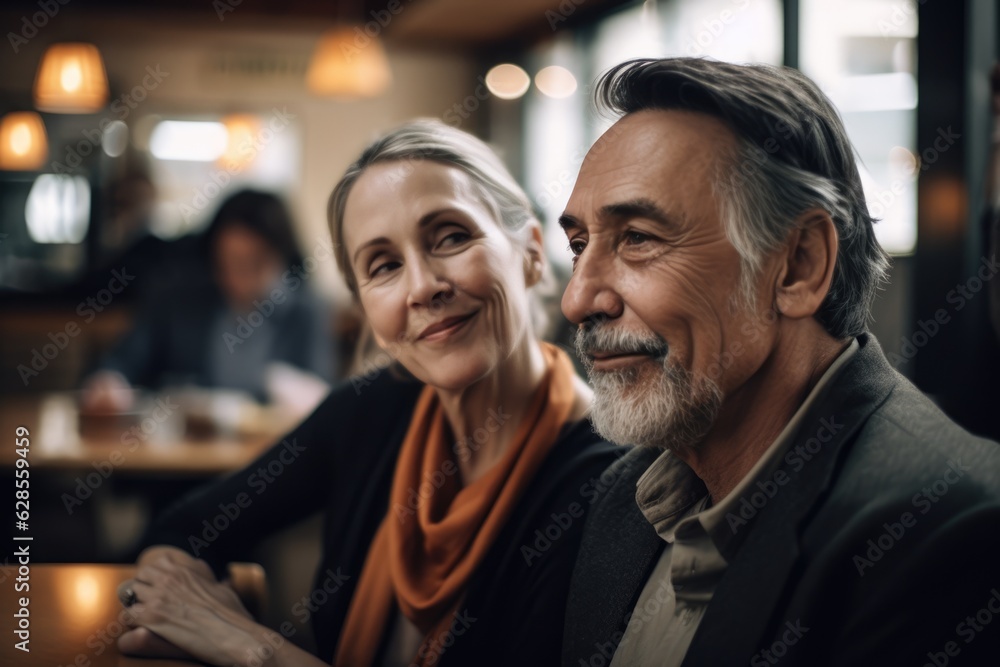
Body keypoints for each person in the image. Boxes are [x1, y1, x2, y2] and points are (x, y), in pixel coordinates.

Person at [113, 120, 620, 666]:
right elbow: (183, 528)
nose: (423, 286)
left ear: (532, 253)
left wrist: (252, 648)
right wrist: (179, 603)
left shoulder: (605, 483)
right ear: (370, 318)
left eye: (451, 236)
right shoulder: (369, 409)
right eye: (384, 266)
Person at [559, 58, 1000, 666]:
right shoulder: (622, 495)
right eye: (579, 245)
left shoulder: (950, 532)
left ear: (798, 267)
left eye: (638, 237)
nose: (577, 298)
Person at [81, 189, 334, 412]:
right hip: (184, 451)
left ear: (282, 257)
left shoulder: (306, 309)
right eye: (229, 263)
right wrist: (110, 381)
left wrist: (288, 385)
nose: (240, 278)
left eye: (255, 264)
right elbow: (125, 359)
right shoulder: (177, 299)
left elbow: (322, 393)